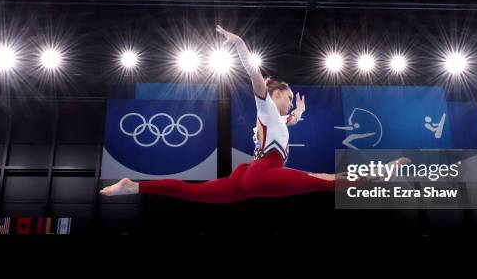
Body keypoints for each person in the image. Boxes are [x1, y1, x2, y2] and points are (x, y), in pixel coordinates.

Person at [100, 25, 406, 202]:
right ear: (275, 95)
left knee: (191, 192)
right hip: (263, 174)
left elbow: (283, 124)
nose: (288, 103)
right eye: (287, 98)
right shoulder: (267, 106)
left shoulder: (274, 119)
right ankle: (382, 172)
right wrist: (240, 45)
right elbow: (254, 76)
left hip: (246, 175)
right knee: (327, 180)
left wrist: (297, 114)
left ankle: (134, 186)